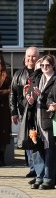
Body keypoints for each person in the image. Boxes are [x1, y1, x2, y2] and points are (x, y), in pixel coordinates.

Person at [11, 47, 40, 178]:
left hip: (40, 112)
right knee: (28, 139)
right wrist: (13, 112)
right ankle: (32, 167)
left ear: (38, 58)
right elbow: (13, 94)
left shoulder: (42, 73)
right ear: (25, 57)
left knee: (39, 140)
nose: (31, 59)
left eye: (34, 56)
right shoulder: (18, 74)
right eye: (28, 56)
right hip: (25, 112)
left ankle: (40, 167)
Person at [28, 54, 55, 189]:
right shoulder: (39, 78)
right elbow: (31, 95)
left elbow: (51, 99)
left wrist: (41, 96)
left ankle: (49, 178)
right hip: (36, 117)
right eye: (42, 65)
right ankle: (40, 176)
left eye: (47, 65)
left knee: (49, 148)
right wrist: (31, 100)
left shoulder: (54, 80)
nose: (44, 68)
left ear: (53, 66)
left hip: (49, 118)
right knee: (37, 147)